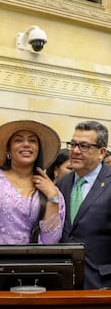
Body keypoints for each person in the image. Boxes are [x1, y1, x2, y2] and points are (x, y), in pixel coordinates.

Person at [0, 120, 65, 244]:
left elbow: (51, 240)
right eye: (18, 140)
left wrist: (53, 198)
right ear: (8, 149)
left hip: (34, 261)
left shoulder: (50, 189)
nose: (26, 144)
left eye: (32, 140)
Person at [56, 121, 111, 289]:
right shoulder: (61, 184)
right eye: (73, 144)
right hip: (63, 284)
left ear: (101, 152)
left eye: (84, 146)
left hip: (102, 284)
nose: (75, 151)